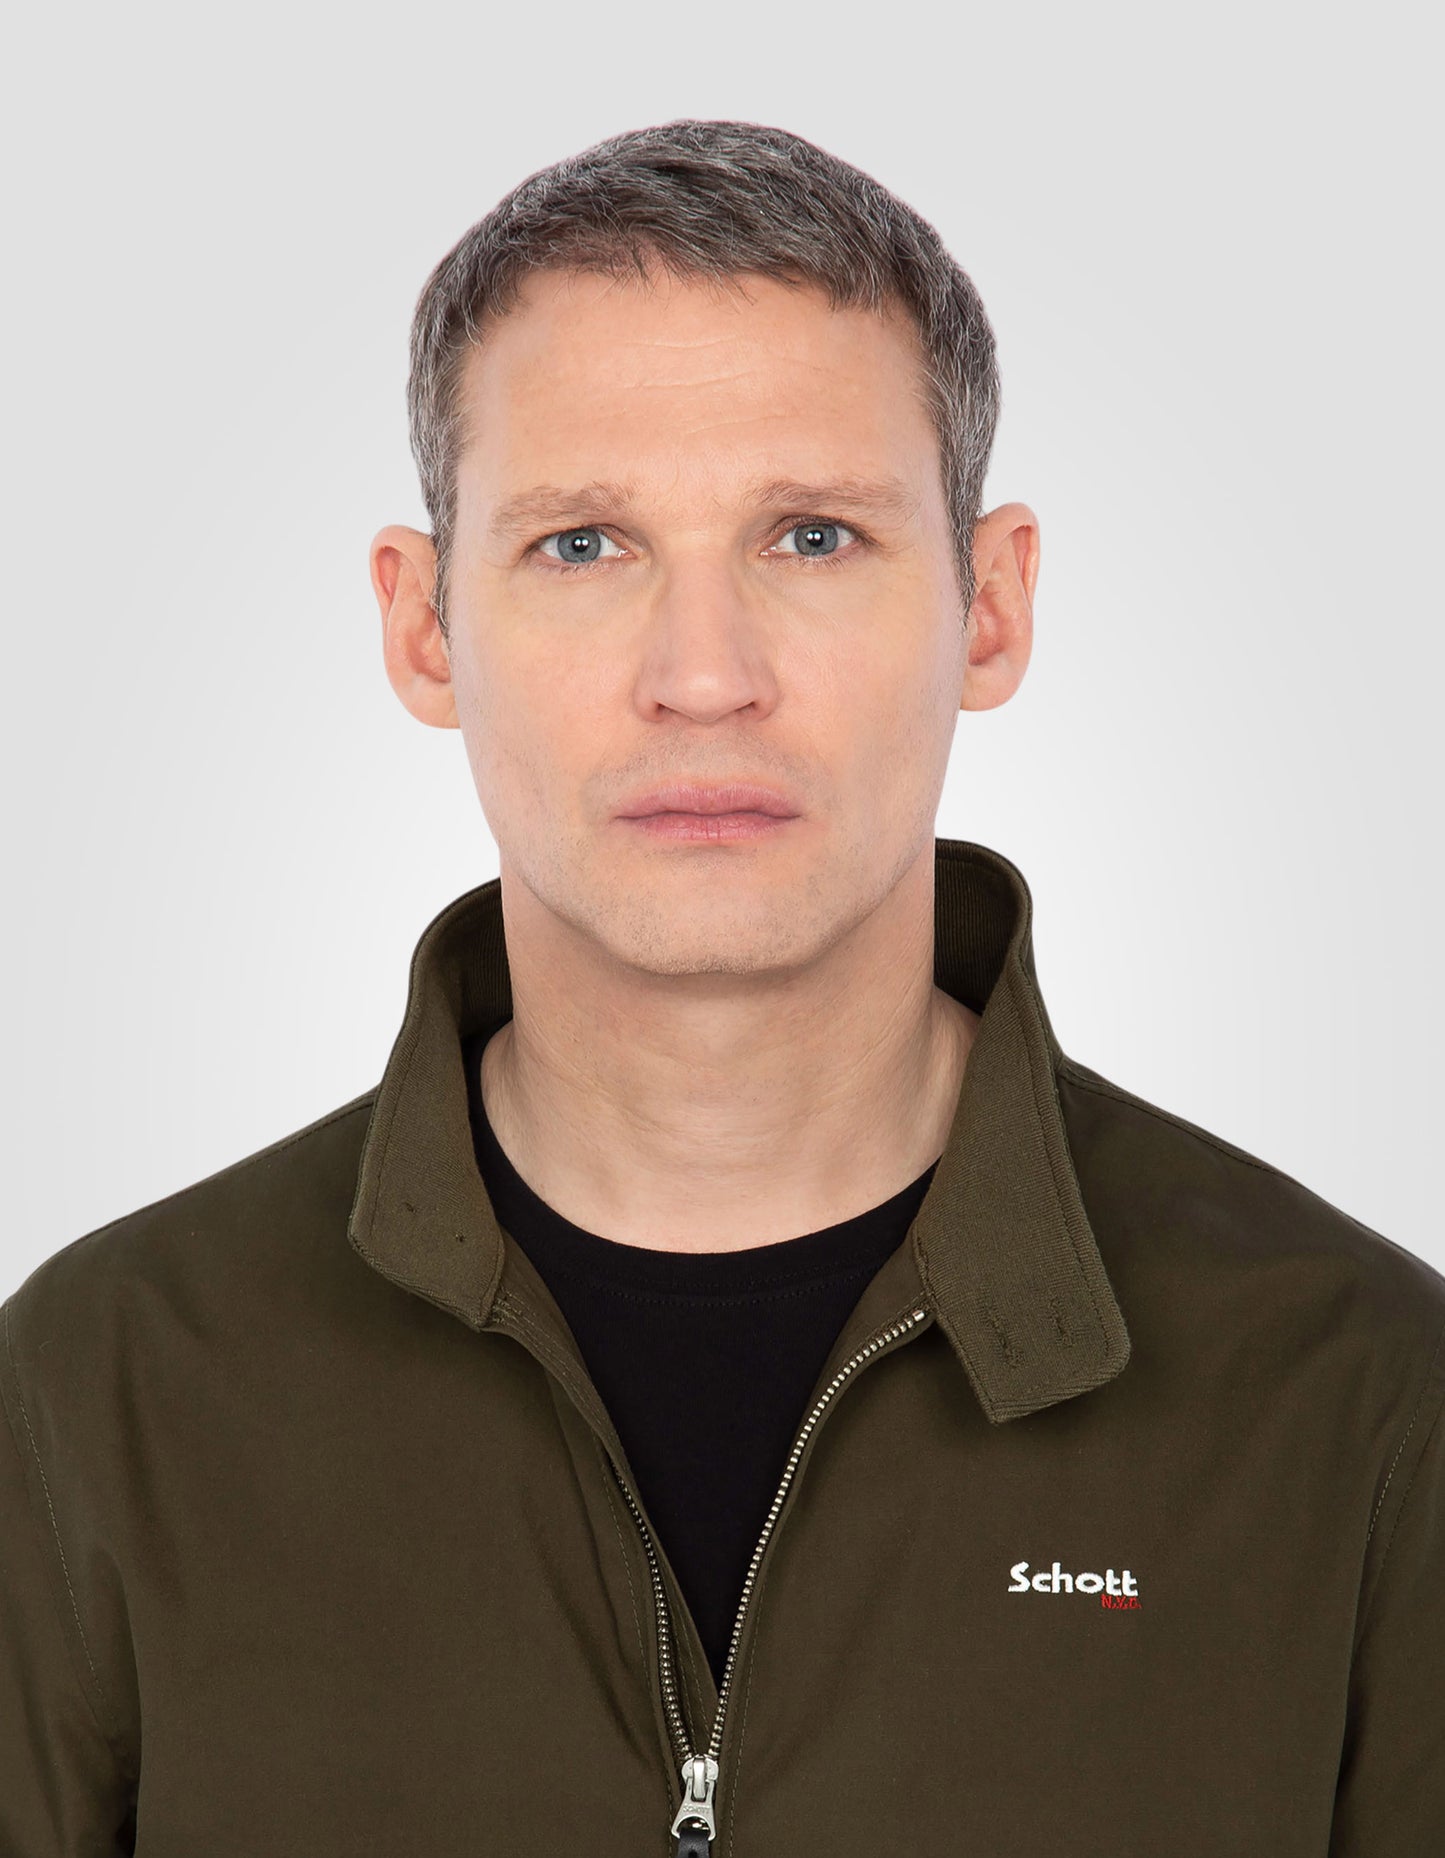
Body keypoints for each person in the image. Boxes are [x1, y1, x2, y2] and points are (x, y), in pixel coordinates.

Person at [2, 118, 1441, 1858]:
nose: (702, 676)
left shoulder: (1363, 1404)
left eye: (811, 536)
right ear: (423, 628)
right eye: (583, 544)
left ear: (988, 609)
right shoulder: (98, 1395)